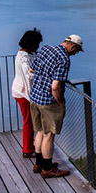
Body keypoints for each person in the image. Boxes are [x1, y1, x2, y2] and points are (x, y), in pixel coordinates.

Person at [29, 34, 84, 178]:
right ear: (72, 46)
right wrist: (60, 101)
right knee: (49, 135)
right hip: (48, 102)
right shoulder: (63, 59)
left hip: (34, 97)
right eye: (76, 51)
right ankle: (47, 169)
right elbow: (55, 86)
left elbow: (32, 70)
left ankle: (39, 163)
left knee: (40, 132)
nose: (75, 54)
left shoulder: (46, 49)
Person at [12, 28, 44, 158]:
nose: (38, 47)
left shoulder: (25, 54)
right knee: (28, 121)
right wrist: (41, 74)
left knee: (29, 120)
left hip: (20, 91)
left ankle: (30, 146)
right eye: (37, 44)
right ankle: (27, 150)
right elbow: (28, 74)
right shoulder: (24, 57)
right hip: (23, 93)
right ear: (31, 44)